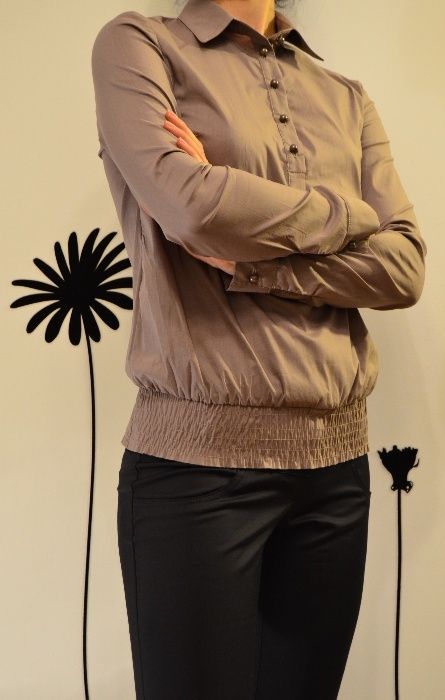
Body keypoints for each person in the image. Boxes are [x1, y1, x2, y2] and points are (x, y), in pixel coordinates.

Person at [91, 0, 427, 697]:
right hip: (195, 473)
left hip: (336, 474)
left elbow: (402, 269)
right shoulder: (142, 47)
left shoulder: (345, 96)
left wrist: (255, 260)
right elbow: (192, 209)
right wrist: (350, 216)